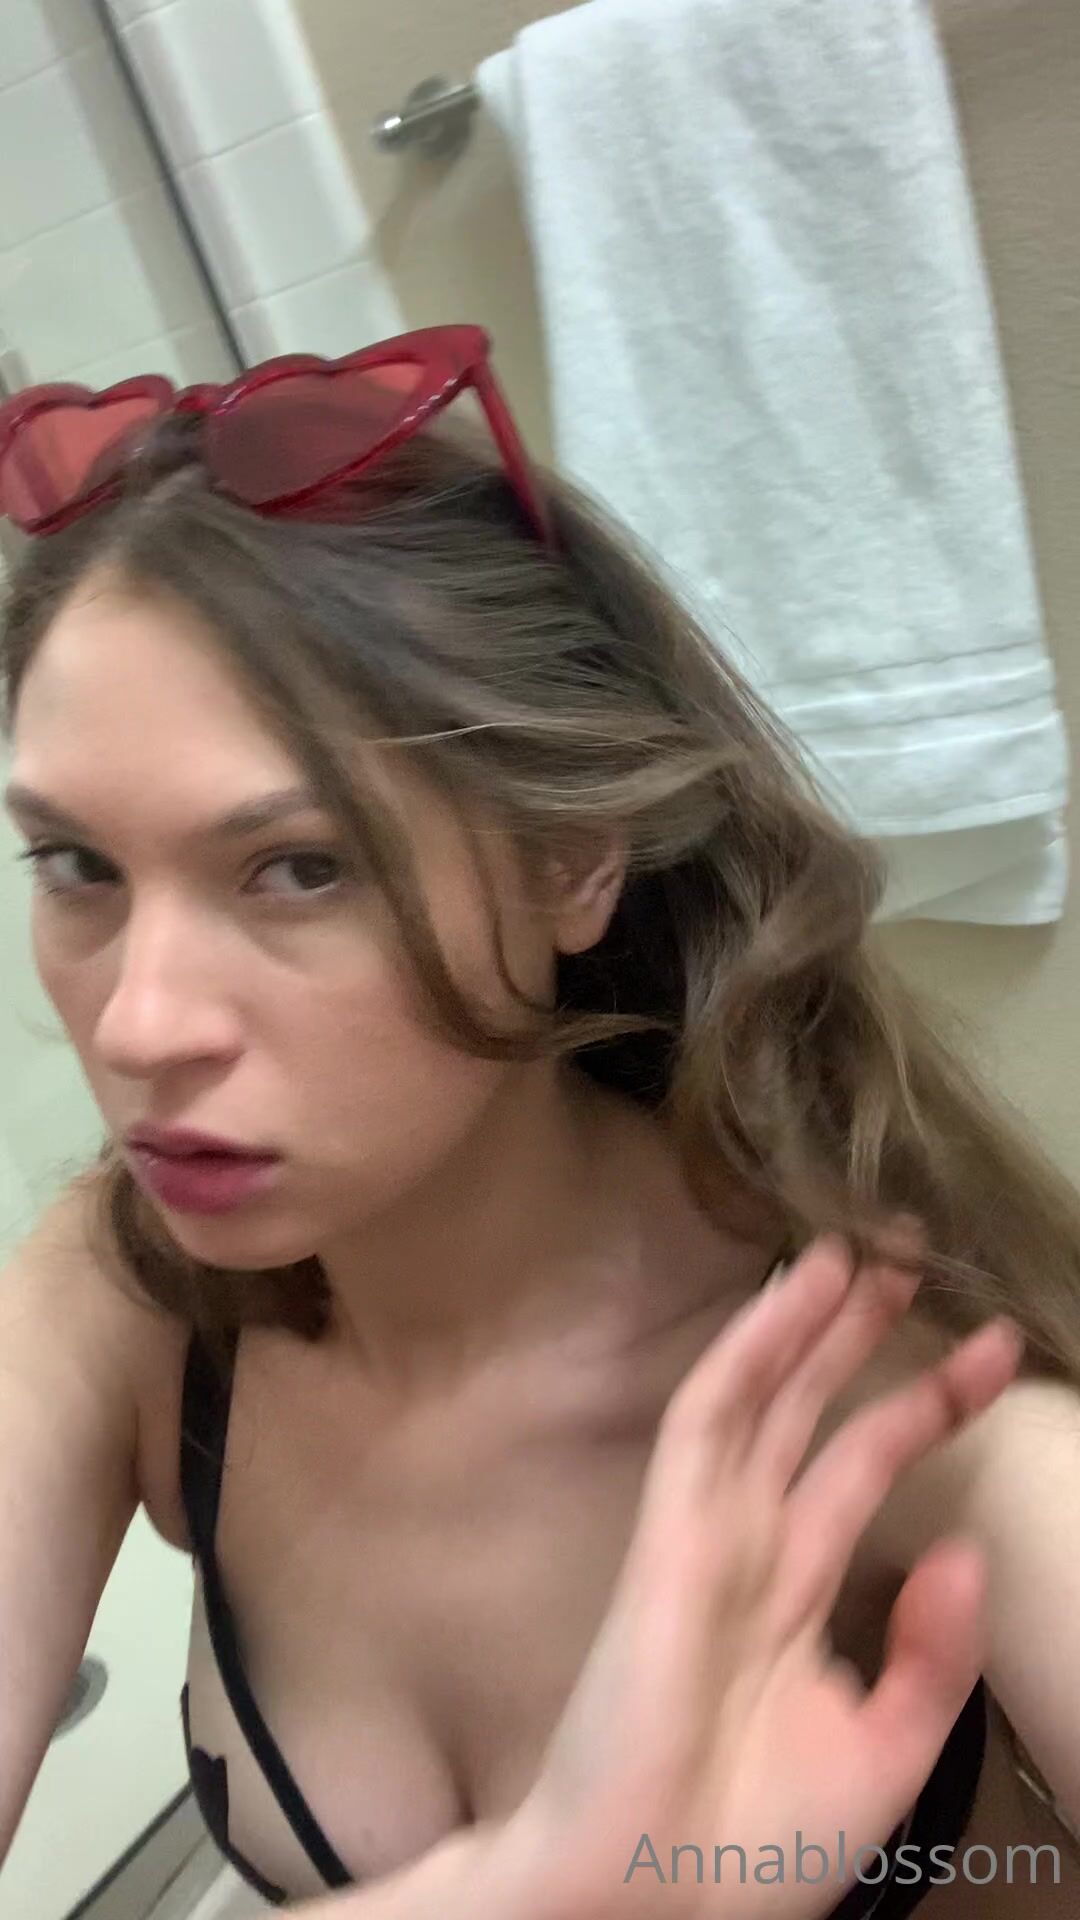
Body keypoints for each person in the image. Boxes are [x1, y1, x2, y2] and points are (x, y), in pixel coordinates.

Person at [0, 327, 1076, 1918]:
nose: (139, 1025)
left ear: (573, 863)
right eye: (78, 865)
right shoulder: (132, 1294)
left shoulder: (910, 1416)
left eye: (300, 868)